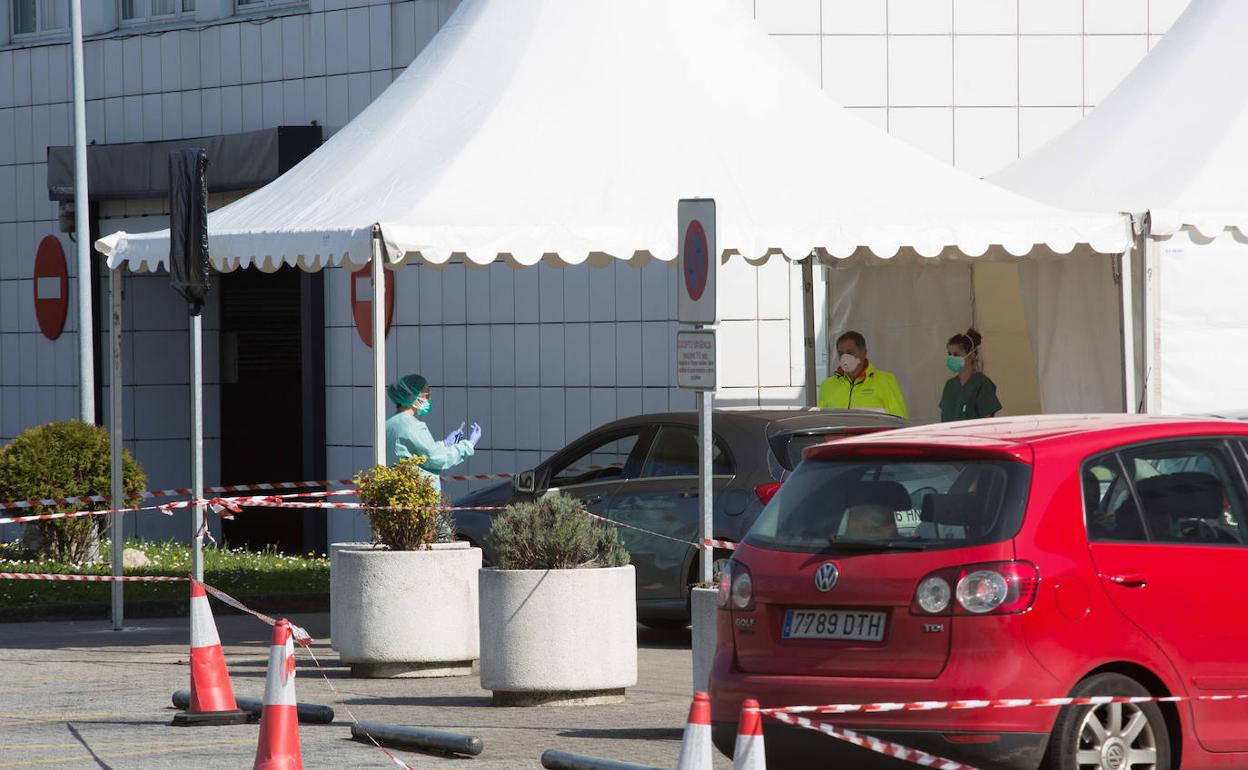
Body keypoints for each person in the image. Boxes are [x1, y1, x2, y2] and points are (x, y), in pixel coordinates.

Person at [384, 374, 481, 492]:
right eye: (427, 395)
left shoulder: (390, 423)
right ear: (413, 396)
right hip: (416, 497)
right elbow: (436, 458)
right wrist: (468, 445)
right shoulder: (412, 426)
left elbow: (419, 453)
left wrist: (444, 444)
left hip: (395, 492)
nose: (429, 400)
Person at [817, 331, 908, 418]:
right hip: (837, 434)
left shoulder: (886, 381)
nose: (844, 357)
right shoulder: (827, 385)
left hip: (872, 434)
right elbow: (821, 421)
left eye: (849, 352)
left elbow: (899, 420)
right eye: (841, 353)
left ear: (864, 353)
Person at [939, 328, 1001, 422]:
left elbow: (987, 422)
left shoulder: (982, 384)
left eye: (956, 355)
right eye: (949, 354)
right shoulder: (950, 385)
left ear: (972, 355)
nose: (952, 358)